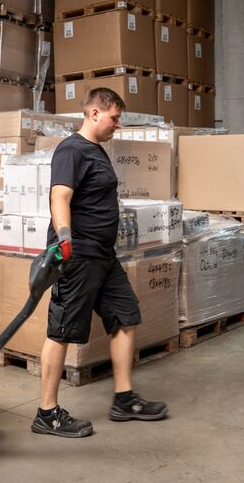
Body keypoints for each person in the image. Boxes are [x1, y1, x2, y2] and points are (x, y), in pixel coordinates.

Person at [31, 87, 167, 438]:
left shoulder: (96, 151)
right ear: (95, 113)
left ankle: (123, 399)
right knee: (62, 330)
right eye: (114, 118)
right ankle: (46, 413)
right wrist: (64, 237)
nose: (117, 125)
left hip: (104, 255)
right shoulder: (71, 150)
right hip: (78, 255)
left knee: (125, 315)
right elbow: (59, 196)